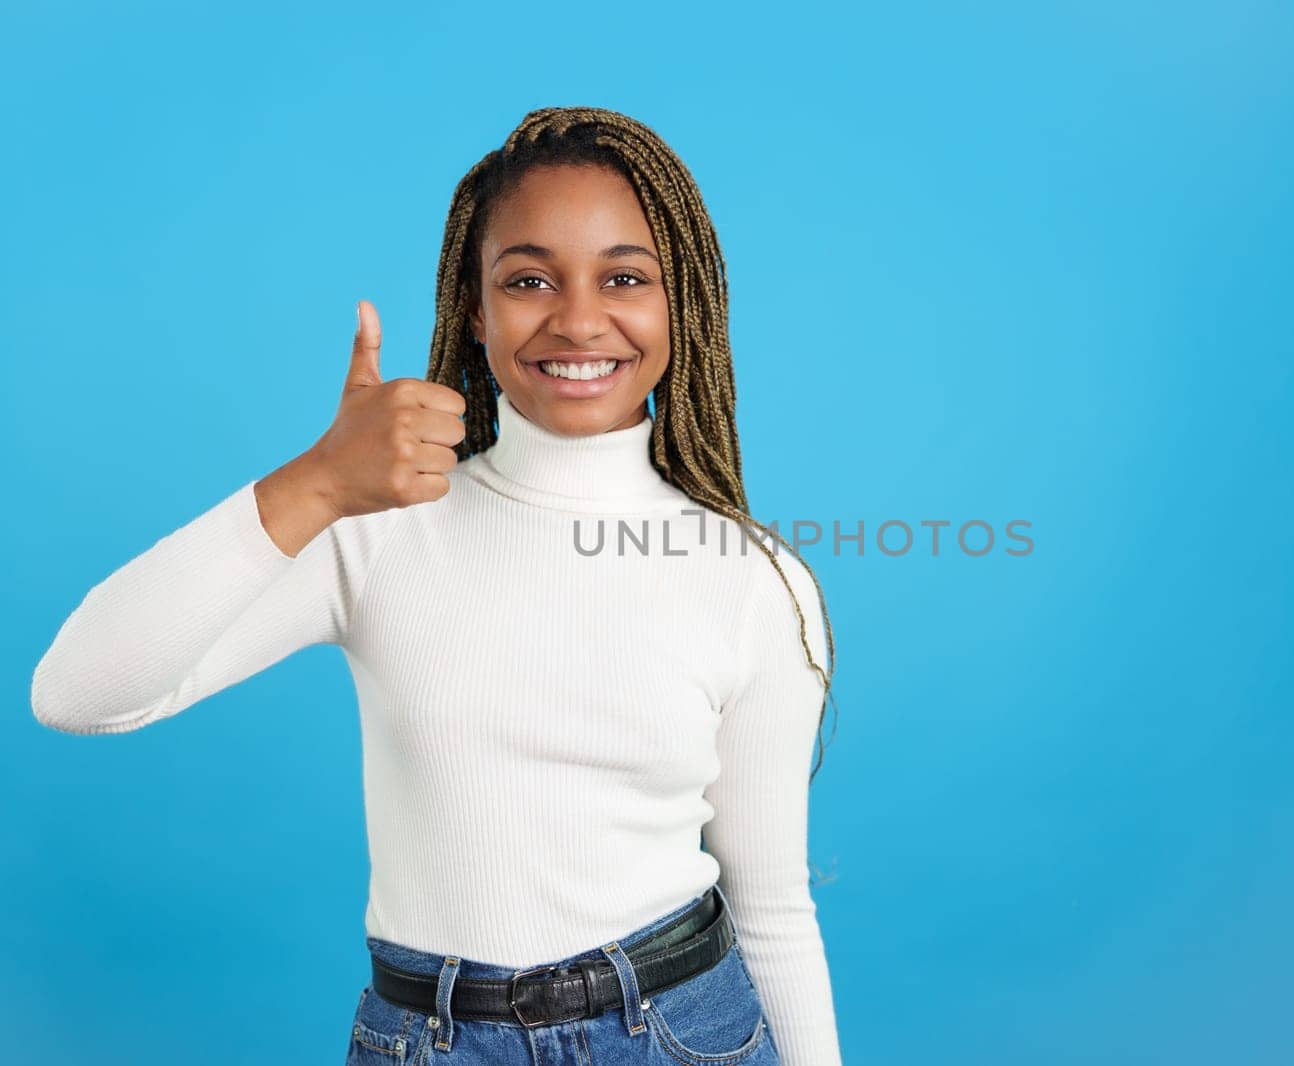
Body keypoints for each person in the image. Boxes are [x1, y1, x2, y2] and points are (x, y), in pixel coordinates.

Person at [31, 106, 843, 1066]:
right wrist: (317, 482)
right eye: (529, 279)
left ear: (686, 306)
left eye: (625, 278)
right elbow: (78, 692)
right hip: (431, 1040)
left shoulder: (753, 579)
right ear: (473, 305)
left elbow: (772, 903)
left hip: (680, 1030)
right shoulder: (373, 528)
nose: (579, 318)